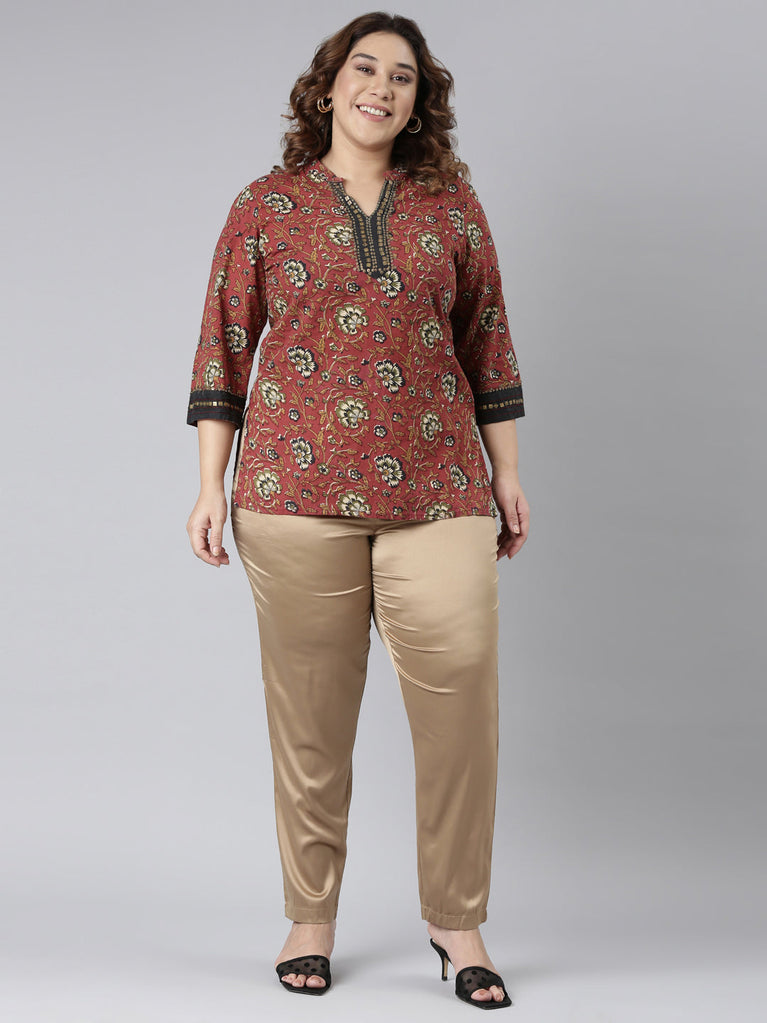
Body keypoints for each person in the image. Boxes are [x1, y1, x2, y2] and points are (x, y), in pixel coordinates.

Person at [185, 10, 529, 1009]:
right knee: (310, 718)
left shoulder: (451, 206)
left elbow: (488, 339)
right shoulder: (265, 205)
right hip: (292, 496)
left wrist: (507, 473)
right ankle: (309, 916)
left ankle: (455, 918)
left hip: (440, 489)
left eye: (402, 78)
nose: (381, 88)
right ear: (329, 85)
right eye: (364, 69)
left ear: (419, 104)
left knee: (461, 701)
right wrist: (208, 483)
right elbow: (223, 344)